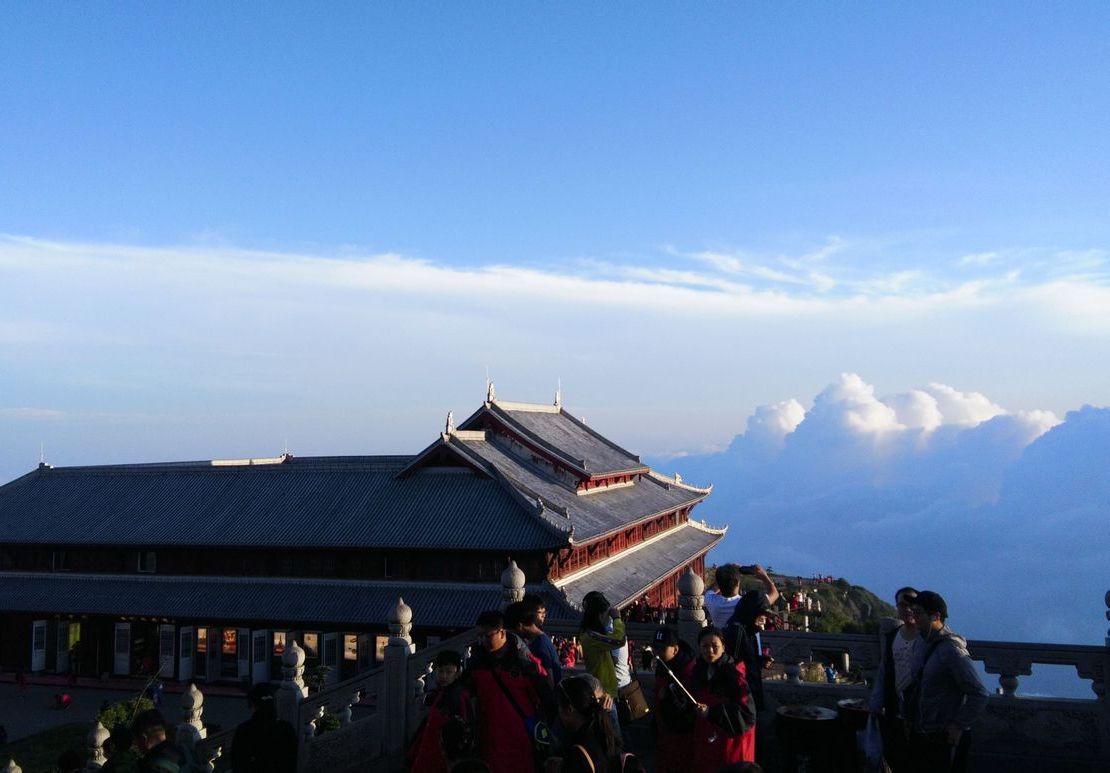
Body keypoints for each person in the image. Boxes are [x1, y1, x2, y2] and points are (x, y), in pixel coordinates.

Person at [904, 591, 989, 773]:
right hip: (921, 731)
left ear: (936, 616)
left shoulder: (952, 650)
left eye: (918, 612)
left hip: (943, 737)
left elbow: (980, 694)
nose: (913, 617)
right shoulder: (920, 642)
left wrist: (958, 725)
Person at [462, 609, 553, 773]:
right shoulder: (476, 661)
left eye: (487, 636)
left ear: (502, 632)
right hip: (488, 738)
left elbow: (545, 696)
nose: (482, 641)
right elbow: (465, 692)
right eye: (480, 636)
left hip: (520, 737)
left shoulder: (524, 662)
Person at [868, 586, 922, 771]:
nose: (906, 609)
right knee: (895, 758)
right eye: (901, 605)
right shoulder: (893, 637)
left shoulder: (928, 638)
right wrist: (876, 702)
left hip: (921, 712)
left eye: (911, 604)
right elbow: (885, 671)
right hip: (894, 709)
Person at [688, 627, 755, 770]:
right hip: (707, 743)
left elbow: (747, 716)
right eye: (705, 646)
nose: (710, 651)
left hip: (730, 747)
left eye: (714, 646)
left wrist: (712, 713)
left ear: (723, 647)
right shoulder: (698, 671)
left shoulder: (734, 674)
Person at [545, 676, 641, 773]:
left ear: (570, 709)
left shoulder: (578, 754)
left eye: (560, 707)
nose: (559, 714)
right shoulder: (604, 729)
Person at [722, 564, 780, 712]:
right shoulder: (736, 632)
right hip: (741, 699)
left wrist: (760, 660)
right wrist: (763, 576)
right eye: (762, 617)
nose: (764, 622)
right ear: (752, 613)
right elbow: (731, 667)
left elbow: (745, 659)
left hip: (750, 694)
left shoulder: (748, 629)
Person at [578, 592, 628, 742]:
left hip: (606, 693)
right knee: (614, 740)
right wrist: (618, 619)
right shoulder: (591, 637)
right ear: (599, 615)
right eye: (607, 614)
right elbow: (619, 640)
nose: (609, 618)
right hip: (603, 696)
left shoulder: (592, 635)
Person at [410, 650, 472, 773]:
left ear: (458, 673)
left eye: (449, 672)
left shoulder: (457, 697)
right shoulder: (440, 694)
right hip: (431, 753)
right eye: (440, 671)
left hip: (443, 756)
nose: (444, 676)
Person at [650, 626, 695, 773]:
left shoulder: (688, 672)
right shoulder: (663, 666)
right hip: (663, 731)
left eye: (662, 649)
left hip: (681, 735)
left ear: (675, 649)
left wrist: (666, 698)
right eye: (655, 648)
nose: (657, 652)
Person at [231, 682, 298, 773]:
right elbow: (292, 763)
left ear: (253, 705)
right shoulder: (287, 729)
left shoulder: (244, 731)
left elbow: (238, 765)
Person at [522, 593, 563, 685]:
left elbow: (549, 678)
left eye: (544, 612)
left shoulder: (540, 643)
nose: (544, 615)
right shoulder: (542, 637)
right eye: (540, 612)